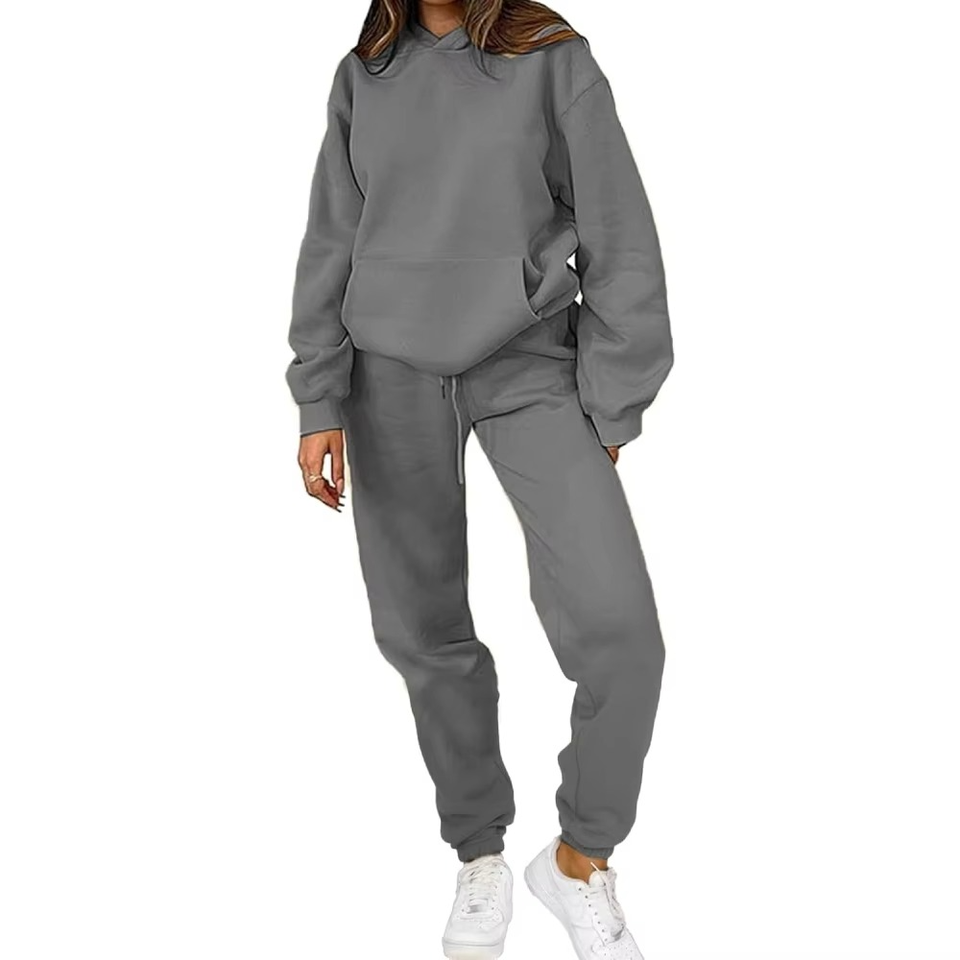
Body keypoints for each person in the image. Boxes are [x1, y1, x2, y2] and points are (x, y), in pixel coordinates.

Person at [285, 1, 672, 957]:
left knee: (621, 628)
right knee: (421, 630)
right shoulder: (364, 73)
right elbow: (332, 237)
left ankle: (580, 857)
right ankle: (479, 852)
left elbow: (620, 228)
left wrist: (614, 396)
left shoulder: (552, 58)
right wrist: (319, 395)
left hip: (529, 362)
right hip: (385, 377)